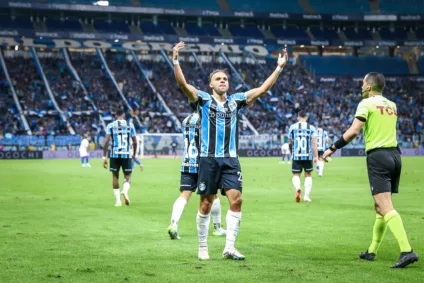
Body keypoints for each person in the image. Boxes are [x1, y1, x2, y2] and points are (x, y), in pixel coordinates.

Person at [173, 41, 288, 260]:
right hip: (208, 159)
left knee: (236, 200)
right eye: (218, 79)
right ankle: (203, 247)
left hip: (231, 160)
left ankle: (229, 247)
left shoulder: (236, 101)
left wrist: (279, 67)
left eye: (225, 78)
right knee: (206, 202)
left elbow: (263, 89)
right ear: (210, 84)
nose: (223, 81)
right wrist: (176, 60)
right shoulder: (203, 100)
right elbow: (183, 85)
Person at [322, 72, 419, 268]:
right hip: (395, 156)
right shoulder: (392, 105)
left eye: (363, 83)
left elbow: (353, 131)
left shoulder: (366, 104)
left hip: (378, 157)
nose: (361, 86)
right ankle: (372, 251)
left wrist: (332, 148)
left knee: (386, 207)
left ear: (368, 86)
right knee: (380, 207)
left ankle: (407, 250)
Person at [167, 104, 226, 240]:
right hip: (203, 162)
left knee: (184, 195)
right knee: (213, 195)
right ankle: (217, 228)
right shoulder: (206, 120)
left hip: (187, 161)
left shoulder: (185, 120)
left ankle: (173, 224)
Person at [102, 109, 137, 207]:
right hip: (126, 154)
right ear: (124, 116)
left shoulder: (110, 125)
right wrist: (134, 154)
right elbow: (135, 142)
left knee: (115, 177)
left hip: (114, 154)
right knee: (128, 176)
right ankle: (125, 191)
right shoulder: (130, 125)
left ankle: (118, 201)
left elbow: (107, 141)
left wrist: (104, 157)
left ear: (116, 116)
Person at [288, 111, 318, 203]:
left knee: (296, 175)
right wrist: (316, 156)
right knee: (308, 175)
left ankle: (298, 187)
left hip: (296, 155)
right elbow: (313, 142)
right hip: (308, 155)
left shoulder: (292, 127)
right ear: (306, 118)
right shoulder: (311, 127)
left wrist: (291, 152)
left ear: (298, 117)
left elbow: (290, 142)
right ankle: (306, 196)